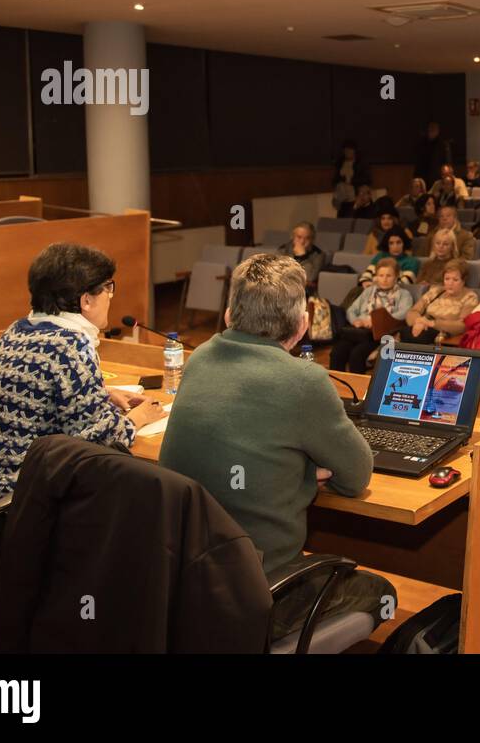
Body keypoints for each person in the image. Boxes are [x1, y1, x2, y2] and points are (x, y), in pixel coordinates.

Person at [159, 253, 393, 642]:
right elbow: (356, 476)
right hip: (258, 595)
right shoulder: (303, 381)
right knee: (380, 592)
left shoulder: (197, 358)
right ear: (302, 326)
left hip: (186, 585)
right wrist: (301, 472)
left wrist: (286, 469)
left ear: (229, 315)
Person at [0, 243, 156, 497]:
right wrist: (140, 416)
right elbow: (103, 442)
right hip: (19, 499)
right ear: (86, 300)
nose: (111, 296)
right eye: (107, 288)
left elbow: (38, 389)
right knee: (140, 489)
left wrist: (101, 393)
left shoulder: (18, 329)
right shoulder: (70, 345)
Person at [333, 258, 413, 372]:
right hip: (359, 331)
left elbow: (403, 314)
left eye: (388, 276)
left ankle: (358, 388)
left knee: (356, 355)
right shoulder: (369, 291)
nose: (384, 279)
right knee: (337, 352)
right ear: (376, 276)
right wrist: (356, 321)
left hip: (380, 334)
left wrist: (375, 321)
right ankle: (336, 387)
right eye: (381, 275)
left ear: (396, 276)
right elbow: (351, 310)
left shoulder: (404, 294)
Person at [400, 259, 478, 345]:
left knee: (417, 337)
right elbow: (413, 311)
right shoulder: (435, 291)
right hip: (422, 326)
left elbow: (462, 326)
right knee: (403, 333)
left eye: (455, 280)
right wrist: (418, 321)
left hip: (443, 332)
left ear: (463, 281)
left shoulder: (470, 297)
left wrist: (432, 324)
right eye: (447, 279)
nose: (450, 283)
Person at [277, 220, 326, 286]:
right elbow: (278, 275)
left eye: (307, 238)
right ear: (293, 237)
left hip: (306, 292)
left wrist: (302, 256)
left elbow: (310, 277)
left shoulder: (319, 255)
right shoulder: (283, 250)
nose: (302, 242)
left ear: (312, 240)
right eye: (299, 237)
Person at [332, 140, 370, 212]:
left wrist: (351, 180)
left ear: (354, 151)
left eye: (350, 150)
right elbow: (334, 179)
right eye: (346, 150)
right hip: (342, 199)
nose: (347, 152)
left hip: (355, 198)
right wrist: (340, 180)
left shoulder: (361, 164)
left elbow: (367, 180)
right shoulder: (340, 163)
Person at [415, 121, 452, 185]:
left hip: (437, 175)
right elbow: (418, 160)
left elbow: (447, 161)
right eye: (430, 129)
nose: (431, 132)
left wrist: (445, 174)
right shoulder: (422, 143)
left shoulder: (442, 145)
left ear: (438, 131)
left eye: (434, 130)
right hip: (423, 174)